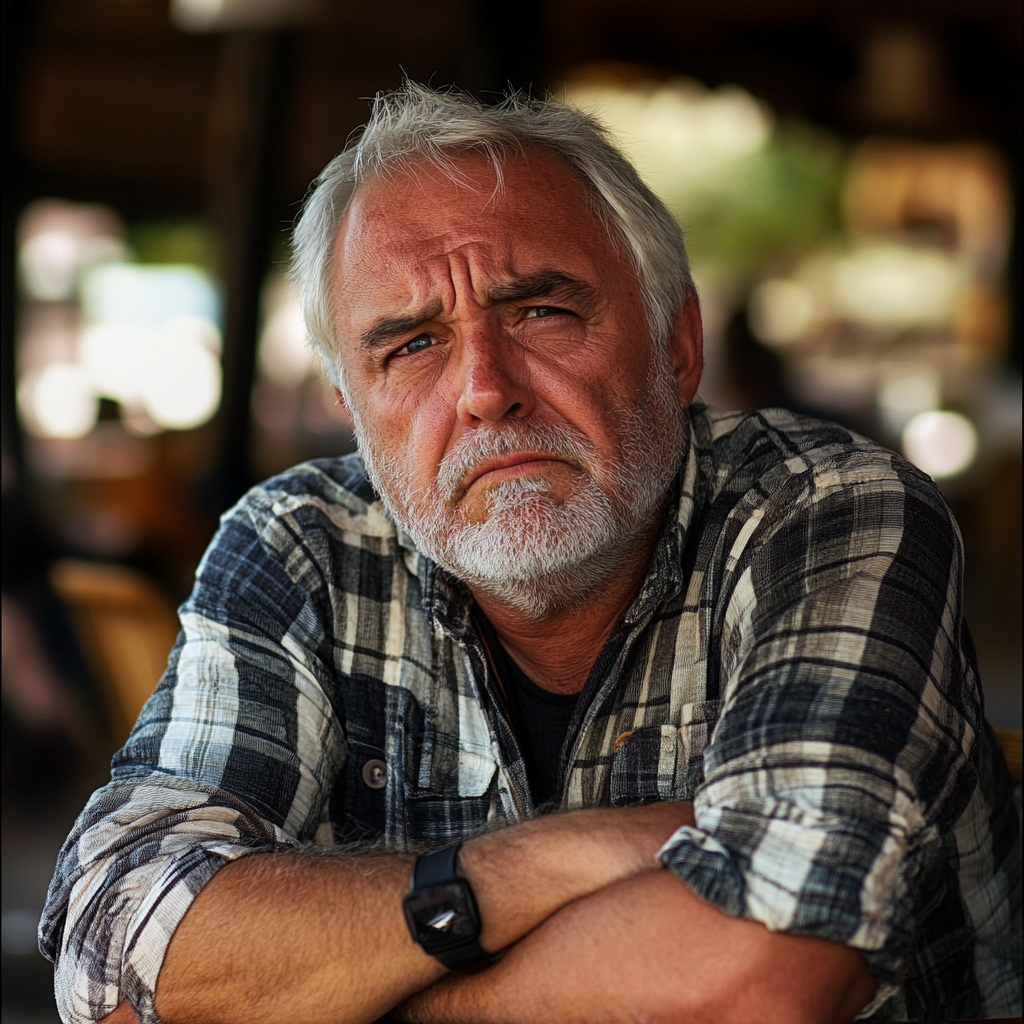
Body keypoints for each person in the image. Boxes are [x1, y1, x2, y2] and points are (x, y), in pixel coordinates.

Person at [42, 83, 1020, 1024]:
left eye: (539, 313)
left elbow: (763, 976)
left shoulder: (827, 512)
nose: (483, 389)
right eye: (411, 344)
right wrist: (536, 868)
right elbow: (119, 961)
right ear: (351, 409)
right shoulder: (299, 543)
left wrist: (328, 989)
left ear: (677, 342)